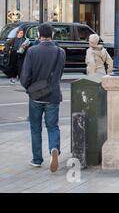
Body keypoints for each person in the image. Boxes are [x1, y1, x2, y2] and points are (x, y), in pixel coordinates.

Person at [20, 23, 66, 172]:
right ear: (52, 35)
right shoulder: (60, 52)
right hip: (53, 95)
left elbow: (25, 76)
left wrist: (29, 88)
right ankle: (54, 148)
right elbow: (59, 74)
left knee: (35, 128)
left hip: (36, 96)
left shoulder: (32, 51)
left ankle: (37, 159)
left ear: (39, 35)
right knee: (53, 126)